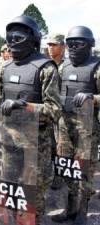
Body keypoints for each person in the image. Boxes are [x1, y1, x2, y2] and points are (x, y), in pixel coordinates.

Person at [0, 15, 61, 224]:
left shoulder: (46, 68)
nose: (13, 41)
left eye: (18, 37)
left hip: (35, 146)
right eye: (10, 37)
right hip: (8, 142)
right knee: (10, 189)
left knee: (33, 194)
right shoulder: (3, 67)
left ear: (31, 39)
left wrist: (25, 106)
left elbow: (54, 109)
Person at [52, 26, 100, 224]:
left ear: (89, 46)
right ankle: (69, 209)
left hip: (86, 127)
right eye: (70, 44)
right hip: (64, 125)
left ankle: (82, 212)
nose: (72, 48)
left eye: (77, 44)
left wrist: (92, 98)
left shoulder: (96, 68)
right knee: (67, 169)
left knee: (84, 171)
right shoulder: (63, 67)